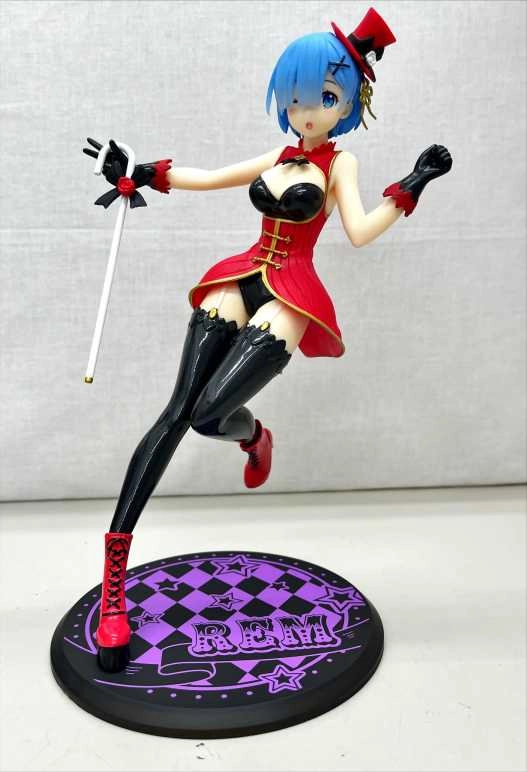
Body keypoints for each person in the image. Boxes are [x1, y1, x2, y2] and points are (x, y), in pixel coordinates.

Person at [83, 7, 452, 672]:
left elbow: (359, 232)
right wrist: (136, 171)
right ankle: (115, 588)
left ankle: (252, 435)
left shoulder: (340, 162)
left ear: (350, 103)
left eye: (325, 98)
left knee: (206, 415)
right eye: (297, 97)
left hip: (291, 292)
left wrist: (412, 184)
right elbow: (206, 176)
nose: (307, 111)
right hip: (241, 274)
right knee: (177, 412)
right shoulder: (277, 156)